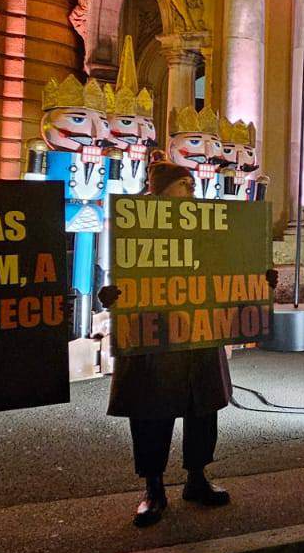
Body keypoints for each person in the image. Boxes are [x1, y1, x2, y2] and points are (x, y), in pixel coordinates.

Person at [101, 162, 237, 526]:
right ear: (162, 190)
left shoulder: (204, 222)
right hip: (152, 331)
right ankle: (153, 488)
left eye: (193, 183)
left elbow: (226, 264)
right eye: (184, 183)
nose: (192, 189)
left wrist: (257, 278)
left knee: (202, 407)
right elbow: (113, 267)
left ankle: (197, 477)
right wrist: (109, 294)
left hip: (198, 329)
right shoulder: (132, 220)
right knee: (151, 410)